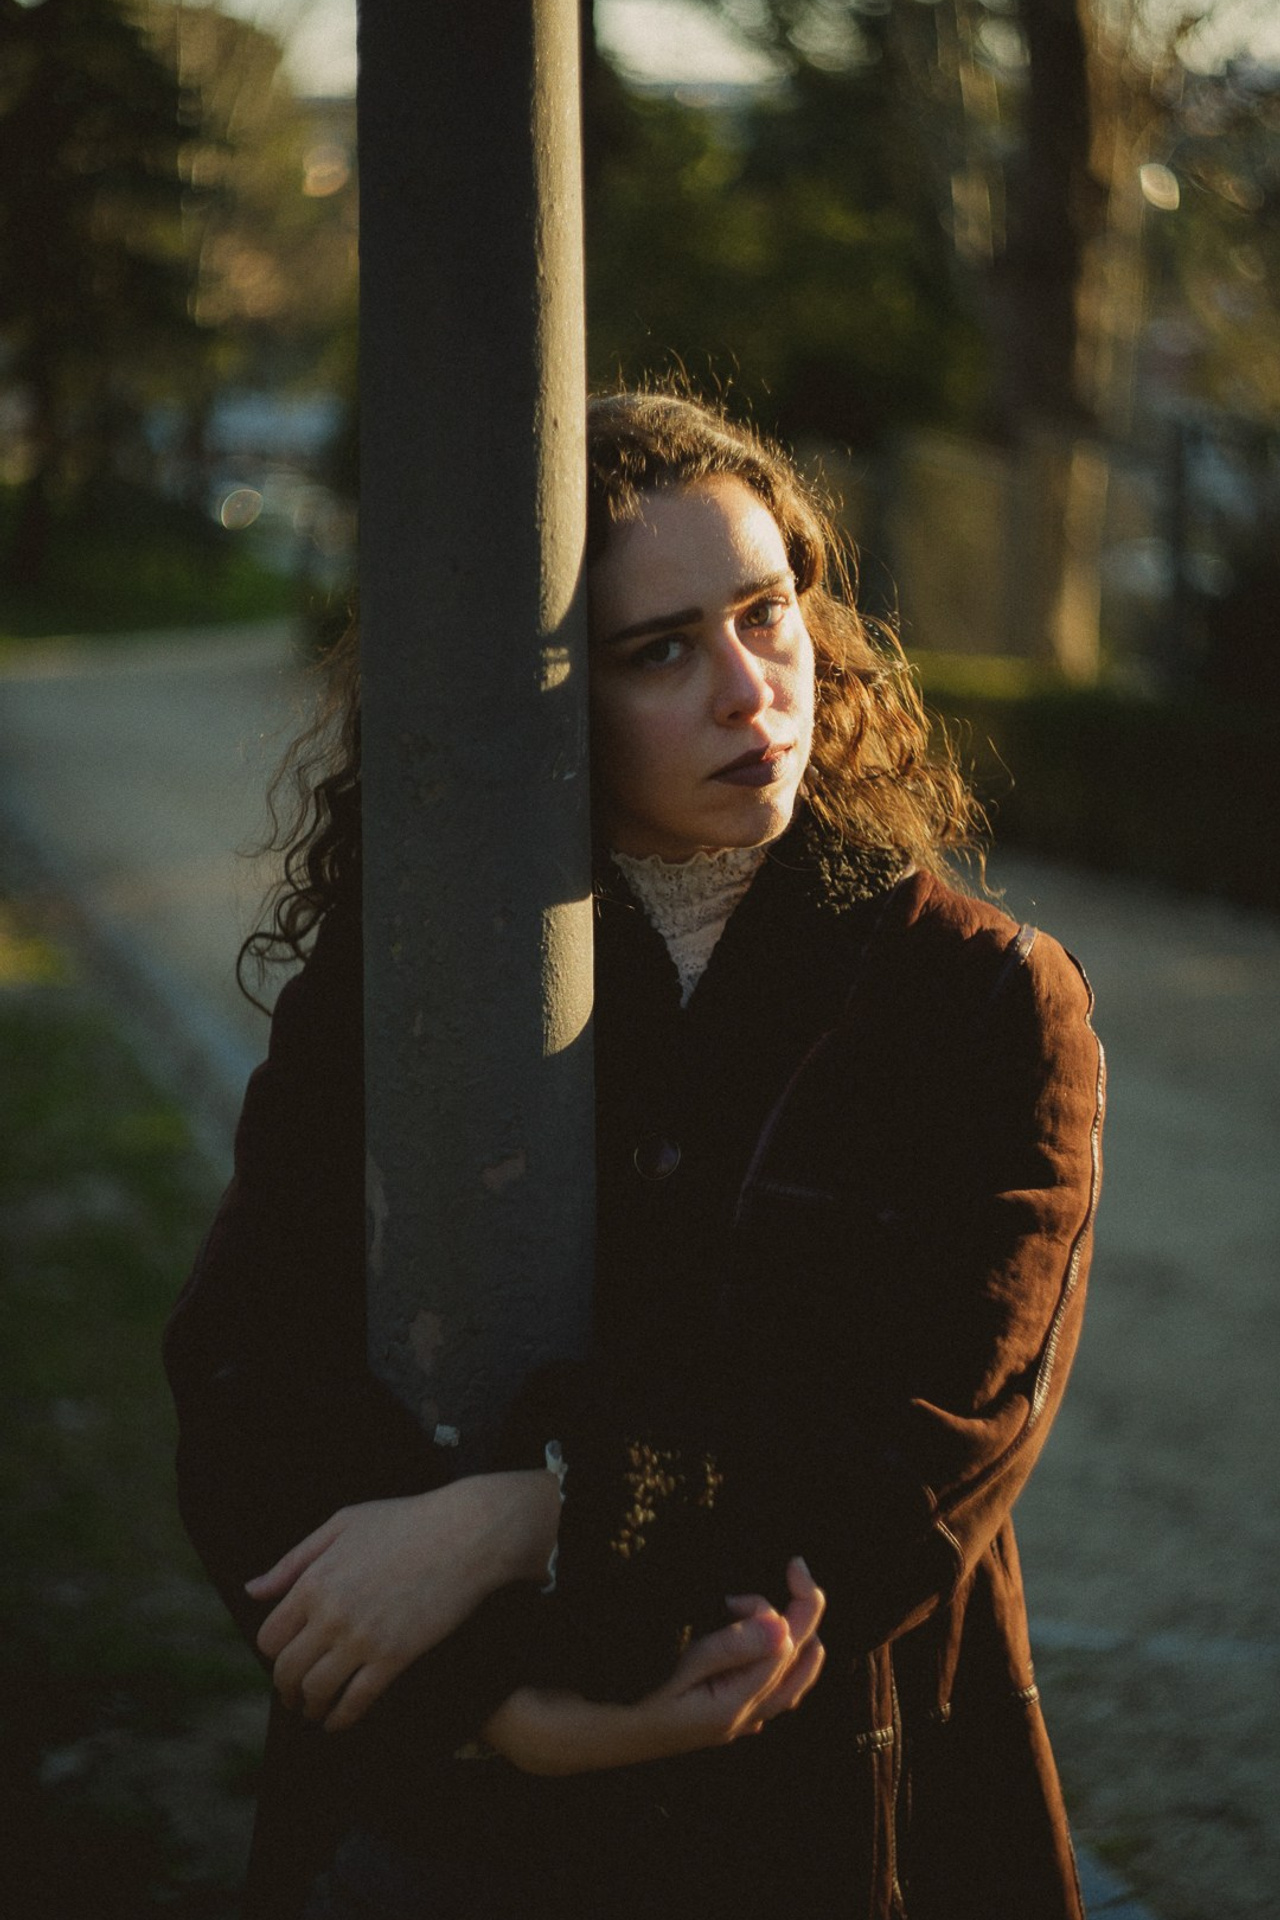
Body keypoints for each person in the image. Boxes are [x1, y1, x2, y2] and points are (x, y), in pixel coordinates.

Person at [165, 390, 1105, 1920]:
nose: (753, 691)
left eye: (766, 613)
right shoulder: (411, 977)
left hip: (826, 1815)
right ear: (539, 695)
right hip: (437, 1837)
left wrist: (524, 1513)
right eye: (658, 650)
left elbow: (916, 1463)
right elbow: (245, 1383)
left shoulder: (981, 1001)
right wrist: (496, 1711)